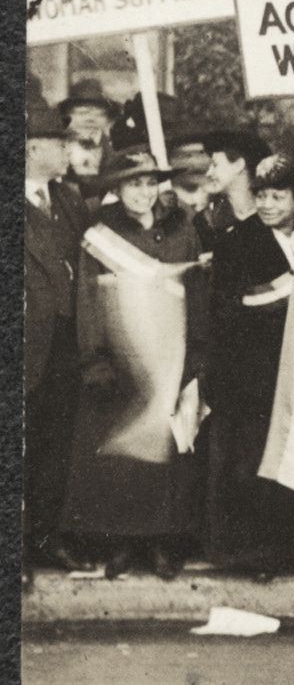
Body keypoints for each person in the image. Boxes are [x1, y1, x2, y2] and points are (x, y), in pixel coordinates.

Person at [60, 148, 207, 581]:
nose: (142, 192)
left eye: (149, 183)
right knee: (125, 454)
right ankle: (124, 541)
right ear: (117, 189)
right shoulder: (102, 235)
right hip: (123, 357)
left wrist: (198, 352)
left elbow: (197, 290)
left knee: (168, 450)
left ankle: (162, 543)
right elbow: (89, 301)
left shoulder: (183, 228)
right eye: (132, 184)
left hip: (172, 354)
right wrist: (95, 359)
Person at [202, 149, 294, 580]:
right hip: (255, 373)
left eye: (277, 197)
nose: (266, 205)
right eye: (261, 195)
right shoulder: (234, 242)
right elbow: (222, 311)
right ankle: (258, 554)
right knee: (255, 459)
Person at [26, 107, 96, 579]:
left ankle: (44, 540)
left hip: (63, 345)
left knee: (53, 447)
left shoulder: (69, 200)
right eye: (61, 143)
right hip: (23, 342)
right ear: (32, 148)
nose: (70, 152)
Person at [195, 131, 271, 246]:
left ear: (238, 165)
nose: (209, 173)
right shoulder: (206, 223)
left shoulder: (272, 216)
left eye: (215, 165)